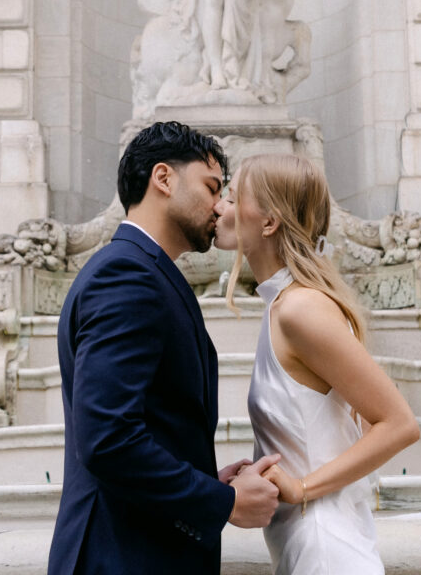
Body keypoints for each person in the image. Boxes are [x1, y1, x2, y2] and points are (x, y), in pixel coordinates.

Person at [47, 121, 280, 575]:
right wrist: (223, 502)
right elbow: (108, 439)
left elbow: (135, 429)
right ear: (164, 178)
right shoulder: (127, 276)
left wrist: (201, 481)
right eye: (212, 187)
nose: (220, 206)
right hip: (120, 558)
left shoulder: (142, 271)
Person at [214, 154, 421, 575]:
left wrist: (303, 486)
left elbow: (399, 424)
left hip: (326, 549)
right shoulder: (281, 304)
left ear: (268, 222)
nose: (219, 206)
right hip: (309, 543)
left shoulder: (299, 309)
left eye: (232, 197)